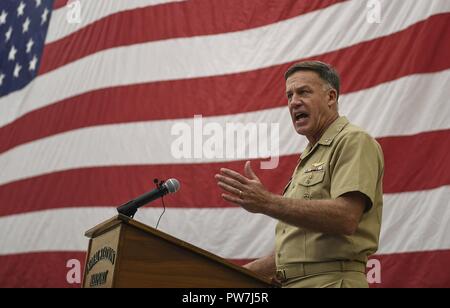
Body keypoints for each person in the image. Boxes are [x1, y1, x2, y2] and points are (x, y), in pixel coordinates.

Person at [215, 61, 384, 288]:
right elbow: (299, 250)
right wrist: (229, 274)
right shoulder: (310, 156)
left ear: (331, 97)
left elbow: (346, 217)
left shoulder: (353, 140)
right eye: (289, 95)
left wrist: (267, 202)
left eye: (303, 92)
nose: (294, 102)